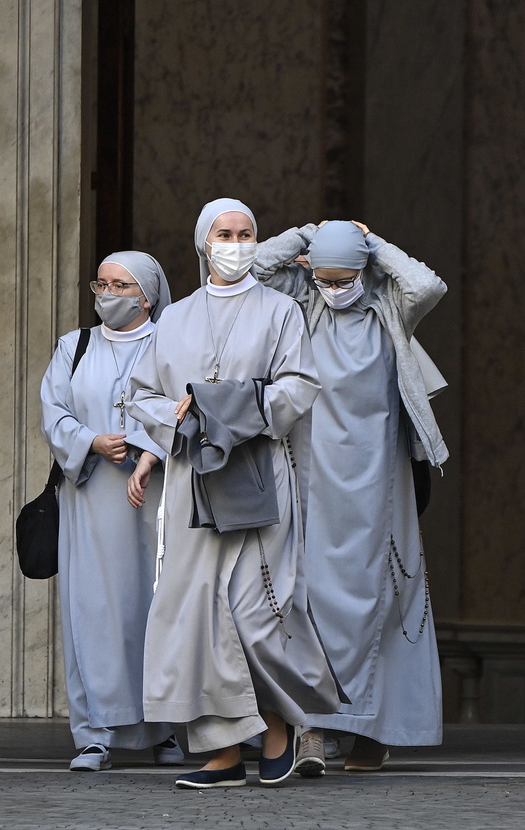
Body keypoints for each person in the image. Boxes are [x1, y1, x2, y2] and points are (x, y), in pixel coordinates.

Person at [127, 198, 340, 789]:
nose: (237, 242)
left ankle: (281, 725)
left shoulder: (281, 311)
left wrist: (234, 409)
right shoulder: (174, 318)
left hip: (259, 476)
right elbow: (140, 395)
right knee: (198, 617)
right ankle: (222, 755)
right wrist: (175, 415)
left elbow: (300, 386)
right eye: (225, 233)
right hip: (196, 481)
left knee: (253, 613)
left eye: (247, 233)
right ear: (204, 242)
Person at [253, 219, 447, 774]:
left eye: (345, 278)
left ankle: (372, 731)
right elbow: (253, 270)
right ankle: (310, 728)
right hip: (311, 480)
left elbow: (428, 286)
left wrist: (376, 245)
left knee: (384, 602)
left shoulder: (388, 304)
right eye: (325, 278)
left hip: (380, 482)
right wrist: (303, 236)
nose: (335, 289)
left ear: (364, 272)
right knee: (308, 603)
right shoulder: (299, 303)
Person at [39, 251, 186, 772]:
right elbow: (54, 412)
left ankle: (164, 730)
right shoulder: (73, 346)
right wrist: (91, 441)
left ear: (146, 294)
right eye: (100, 283)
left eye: (120, 285)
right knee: (94, 612)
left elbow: (183, 407)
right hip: (90, 500)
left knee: (156, 610)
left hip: (154, 500)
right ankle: (94, 732)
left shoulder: (173, 344)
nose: (107, 294)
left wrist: (146, 450)